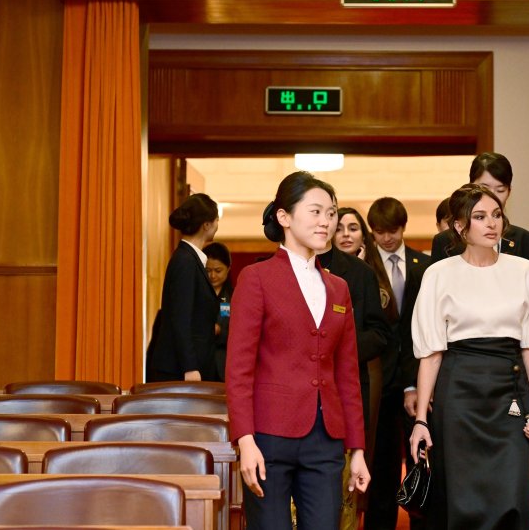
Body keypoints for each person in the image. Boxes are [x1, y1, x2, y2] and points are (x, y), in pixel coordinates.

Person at [226, 171, 371, 530]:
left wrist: (357, 449)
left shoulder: (338, 288)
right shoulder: (256, 278)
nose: (326, 222)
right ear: (284, 216)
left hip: (326, 439)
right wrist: (245, 440)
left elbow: (348, 374)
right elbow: (239, 368)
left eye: (331, 213)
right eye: (315, 211)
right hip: (269, 436)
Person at [410, 183, 529, 529]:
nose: (492, 223)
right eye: (480, 216)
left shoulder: (525, 271)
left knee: (511, 493)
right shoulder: (438, 273)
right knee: (461, 496)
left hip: (509, 391)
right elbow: (431, 354)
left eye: (497, 215)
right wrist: (421, 420)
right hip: (458, 394)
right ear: (460, 225)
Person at [430, 152, 529, 391]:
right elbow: (431, 316)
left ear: (509, 192)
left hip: (514, 365)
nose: (492, 197)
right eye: (484, 187)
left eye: (500, 189)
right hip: (458, 367)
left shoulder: (524, 240)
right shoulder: (445, 241)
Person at [318, 206, 390, 529]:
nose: (343, 233)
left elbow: (380, 334)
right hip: (300, 395)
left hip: (347, 387)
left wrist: (337, 348)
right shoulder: (287, 269)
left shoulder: (360, 274)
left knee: (345, 483)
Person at [364, 197, 430, 530]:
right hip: (381, 378)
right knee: (383, 466)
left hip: (419, 375)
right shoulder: (365, 268)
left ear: (403, 227)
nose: (387, 238)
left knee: (422, 462)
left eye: (392, 231)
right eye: (379, 232)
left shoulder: (424, 265)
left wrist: (415, 381)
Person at [146, 193, 220, 382]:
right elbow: (180, 318)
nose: (217, 224)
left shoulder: (189, 258)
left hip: (187, 367)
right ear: (206, 225)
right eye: (216, 220)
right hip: (180, 370)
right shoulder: (185, 261)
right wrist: (190, 367)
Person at [201, 241, 233, 382]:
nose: (213, 275)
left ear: (228, 268)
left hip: (224, 364)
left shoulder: (234, 296)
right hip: (201, 363)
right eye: (208, 270)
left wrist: (221, 331)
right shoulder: (196, 294)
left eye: (218, 270)